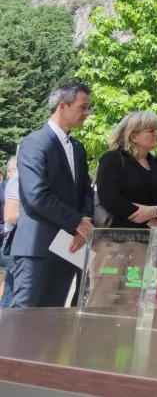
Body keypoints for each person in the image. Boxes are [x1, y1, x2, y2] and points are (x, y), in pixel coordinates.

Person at [10, 82, 94, 308]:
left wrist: (84, 221)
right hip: (37, 247)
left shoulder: (78, 147)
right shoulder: (34, 143)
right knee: (22, 320)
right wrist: (78, 222)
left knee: (53, 321)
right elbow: (37, 195)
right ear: (63, 106)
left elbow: (86, 190)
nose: (87, 113)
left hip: (69, 246)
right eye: (83, 107)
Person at [86, 111, 157, 306]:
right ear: (133, 137)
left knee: (130, 303)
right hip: (112, 243)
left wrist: (155, 211)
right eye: (151, 130)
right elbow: (110, 198)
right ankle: (93, 337)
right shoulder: (112, 159)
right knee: (102, 300)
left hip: (144, 243)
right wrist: (143, 215)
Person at [1, 153, 19, 308]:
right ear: (9, 171)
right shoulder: (7, 187)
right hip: (9, 241)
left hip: (15, 240)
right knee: (10, 287)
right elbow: (9, 216)